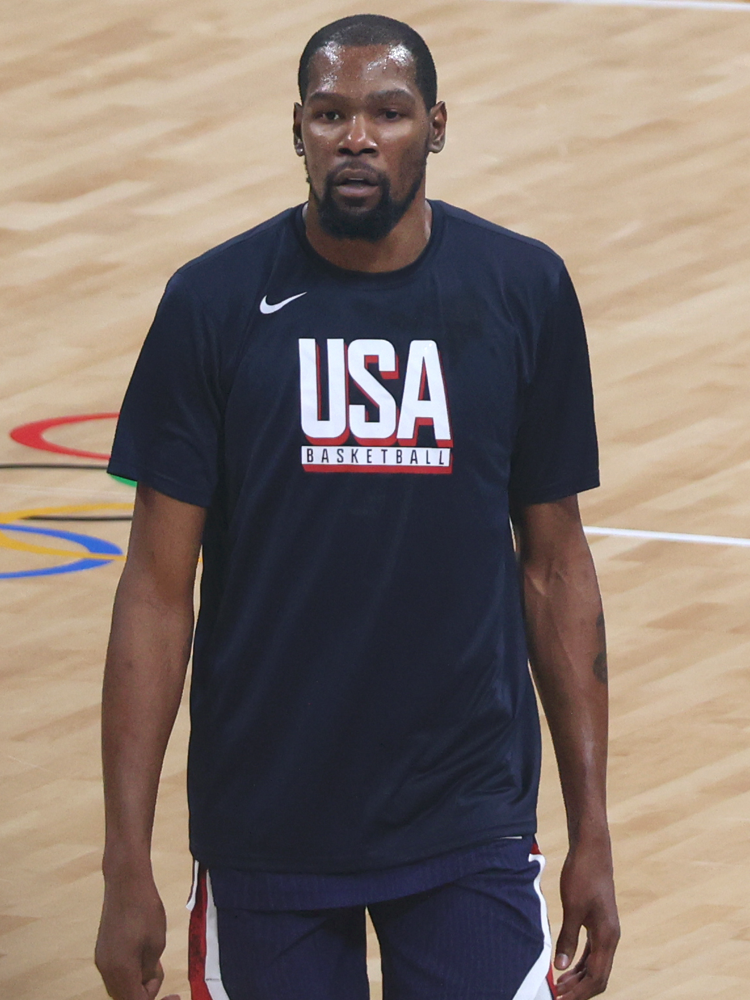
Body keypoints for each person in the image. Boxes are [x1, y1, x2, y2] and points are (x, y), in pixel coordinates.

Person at [95, 13, 619, 1000]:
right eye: (331, 114)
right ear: (297, 130)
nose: (358, 138)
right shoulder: (211, 305)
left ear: (437, 126)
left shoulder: (522, 291)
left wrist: (592, 828)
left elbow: (556, 568)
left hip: (468, 820)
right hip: (266, 828)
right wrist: (125, 860)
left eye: (389, 112)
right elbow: (156, 596)